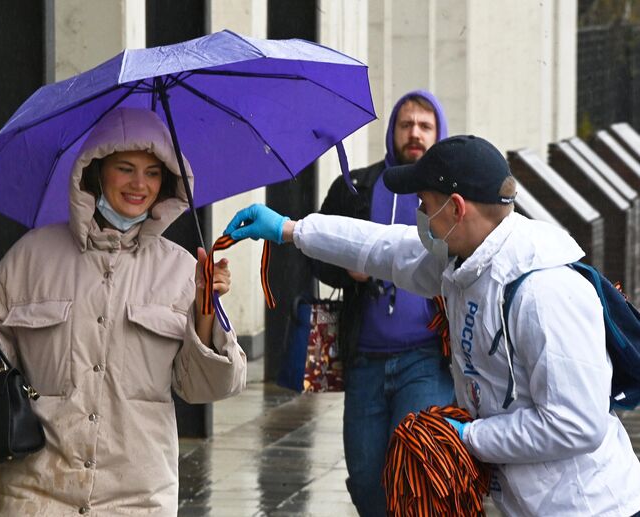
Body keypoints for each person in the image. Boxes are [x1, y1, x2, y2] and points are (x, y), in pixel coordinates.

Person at [224, 135, 640, 516]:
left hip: (593, 505)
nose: (420, 213)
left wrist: (470, 437)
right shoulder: (463, 259)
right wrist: (291, 230)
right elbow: (382, 248)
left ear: (456, 208)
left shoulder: (546, 291)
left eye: (424, 202)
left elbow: (575, 424)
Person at [0, 108, 247, 516]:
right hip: (37, 493)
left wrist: (206, 306)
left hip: (138, 496)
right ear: (94, 172)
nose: (140, 184)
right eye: (125, 168)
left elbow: (205, 387)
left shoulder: (182, 270)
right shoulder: (30, 257)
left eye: (154, 173)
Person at [311, 90, 454, 516]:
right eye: (406, 124)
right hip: (365, 360)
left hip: (426, 359)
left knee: (416, 466)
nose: (415, 133)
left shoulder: (452, 196)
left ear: (438, 134)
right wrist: (346, 268)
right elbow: (318, 257)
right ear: (392, 131)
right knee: (367, 475)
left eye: (425, 126)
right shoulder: (357, 187)